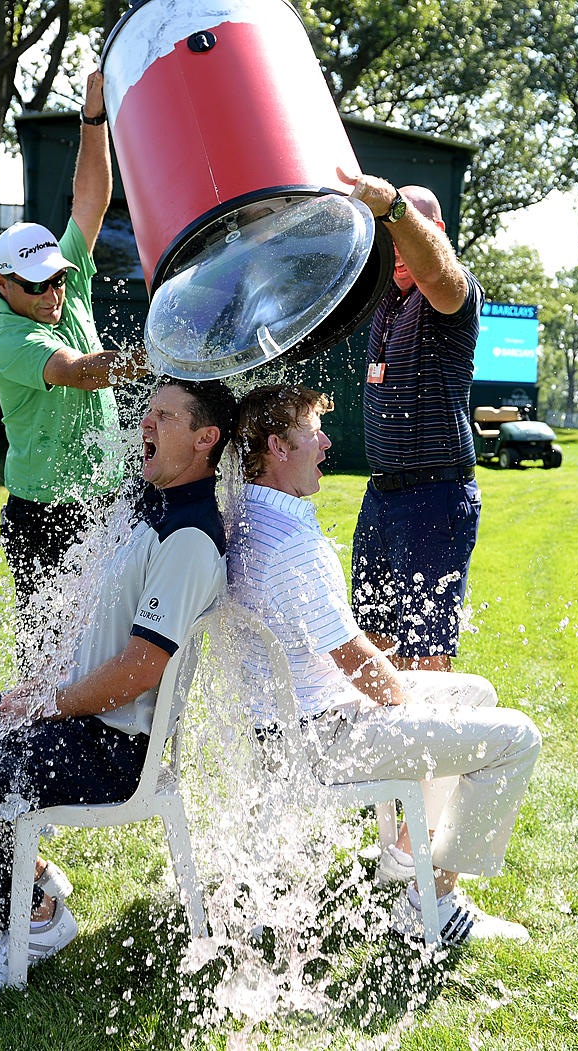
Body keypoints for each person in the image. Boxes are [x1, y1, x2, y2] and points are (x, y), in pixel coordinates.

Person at [0, 379, 238, 990]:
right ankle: (31, 883)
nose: (147, 425)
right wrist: (38, 693)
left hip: (111, 752)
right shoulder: (151, 504)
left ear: (206, 438)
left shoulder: (190, 538)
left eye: (165, 417)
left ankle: (32, 921)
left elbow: (139, 669)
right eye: (148, 413)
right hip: (78, 725)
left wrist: (46, 707)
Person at [229, 383, 541, 945]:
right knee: (517, 738)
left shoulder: (247, 513)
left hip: (289, 724)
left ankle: (406, 855)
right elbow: (357, 663)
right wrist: (408, 700)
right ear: (277, 446)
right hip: (318, 739)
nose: (325, 443)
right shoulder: (289, 540)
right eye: (311, 434)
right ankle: (436, 904)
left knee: (475, 695)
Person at [0, 69, 149, 675]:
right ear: (4, 285)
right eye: (38, 285)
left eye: (59, 277)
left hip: (104, 498)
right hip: (45, 515)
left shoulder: (61, 279)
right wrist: (156, 362)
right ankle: (39, 749)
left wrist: (92, 117)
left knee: (110, 643)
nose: (56, 292)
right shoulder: (10, 336)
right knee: (53, 659)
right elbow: (80, 372)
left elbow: (92, 200)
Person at [337, 170, 484, 672]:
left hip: (435, 496)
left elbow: (439, 278)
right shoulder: (385, 295)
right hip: (382, 495)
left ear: (436, 229)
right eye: (389, 233)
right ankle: (390, 747)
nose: (396, 246)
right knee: (372, 647)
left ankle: (441, 743)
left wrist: (396, 208)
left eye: (408, 230)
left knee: (425, 656)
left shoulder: (456, 291)